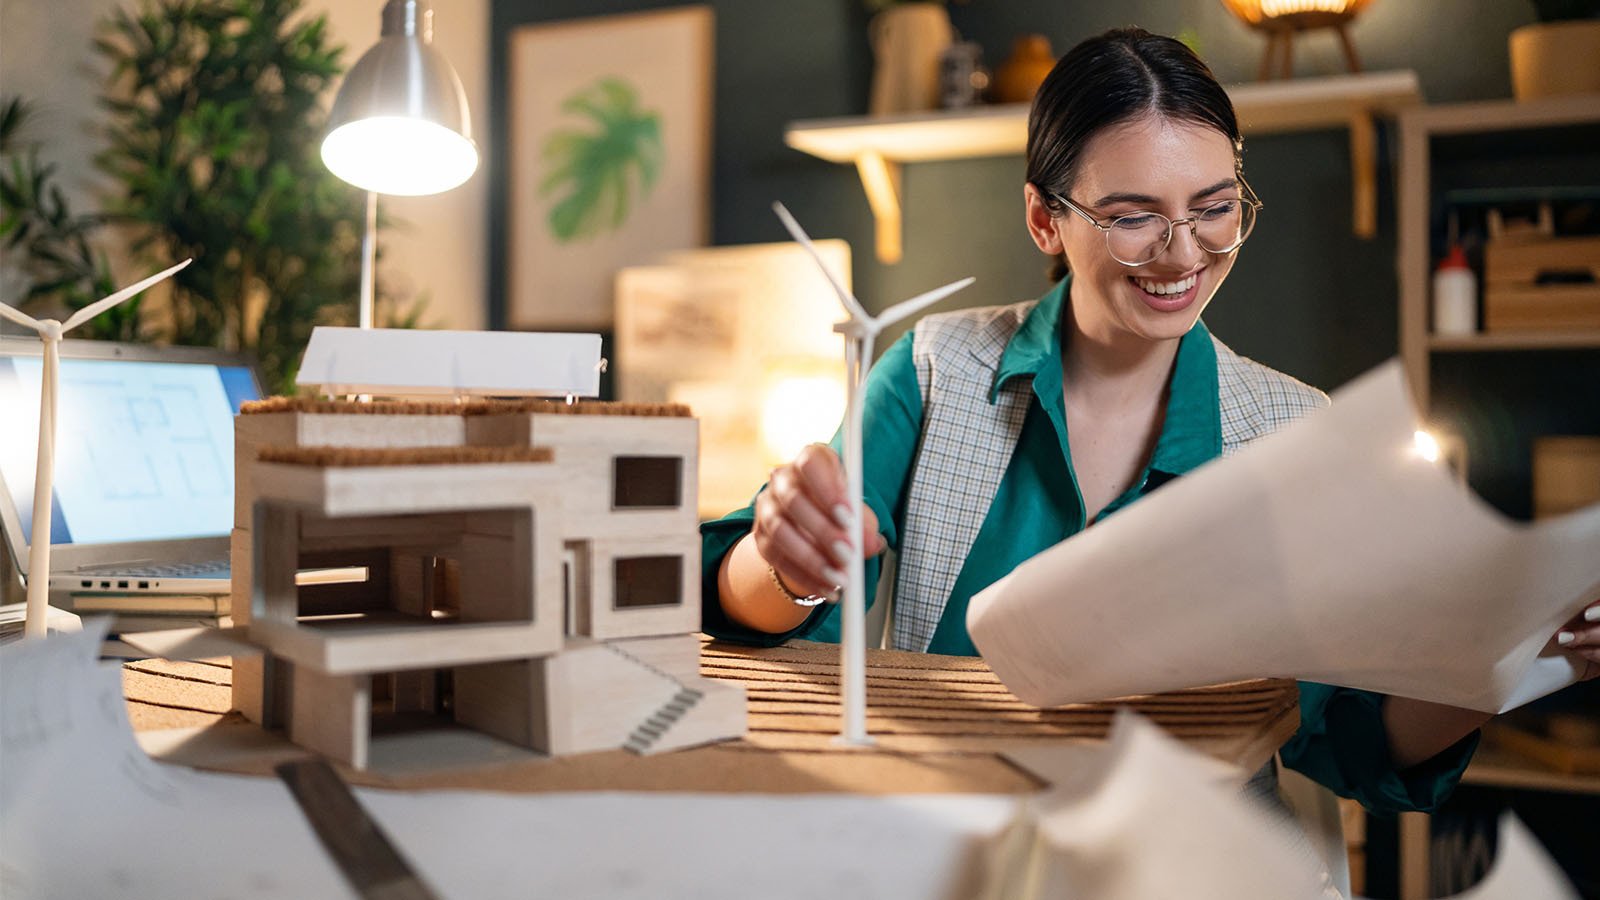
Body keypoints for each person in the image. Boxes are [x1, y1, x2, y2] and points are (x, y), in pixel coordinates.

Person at [699, 27, 1600, 815]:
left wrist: (1518, 657)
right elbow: (747, 603)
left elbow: (1357, 739)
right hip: (952, 835)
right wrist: (787, 563)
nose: (1184, 255)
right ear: (1045, 219)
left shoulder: (1299, 434)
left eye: (1215, 210)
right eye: (1134, 217)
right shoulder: (937, 369)